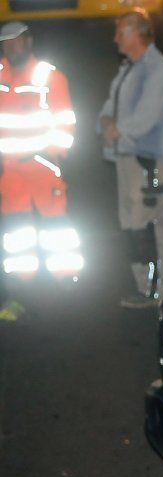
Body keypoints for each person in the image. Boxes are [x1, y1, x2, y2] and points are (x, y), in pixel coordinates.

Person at [98, 7, 163, 308]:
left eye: (120, 32)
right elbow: (109, 109)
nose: (115, 39)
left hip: (150, 160)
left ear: (136, 34)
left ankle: (156, 290)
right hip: (127, 156)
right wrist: (106, 124)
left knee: (148, 224)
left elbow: (147, 118)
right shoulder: (130, 67)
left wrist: (116, 129)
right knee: (131, 223)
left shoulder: (157, 68)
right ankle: (144, 286)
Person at [0, 20, 80, 306]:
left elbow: (65, 122)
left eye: (16, 40)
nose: (10, 46)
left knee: (56, 225)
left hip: (43, 167)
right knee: (17, 229)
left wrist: (54, 156)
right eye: (6, 42)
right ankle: (23, 282)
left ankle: (66, 275)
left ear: (28, 41)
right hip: (9, 170)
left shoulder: (48, 76)